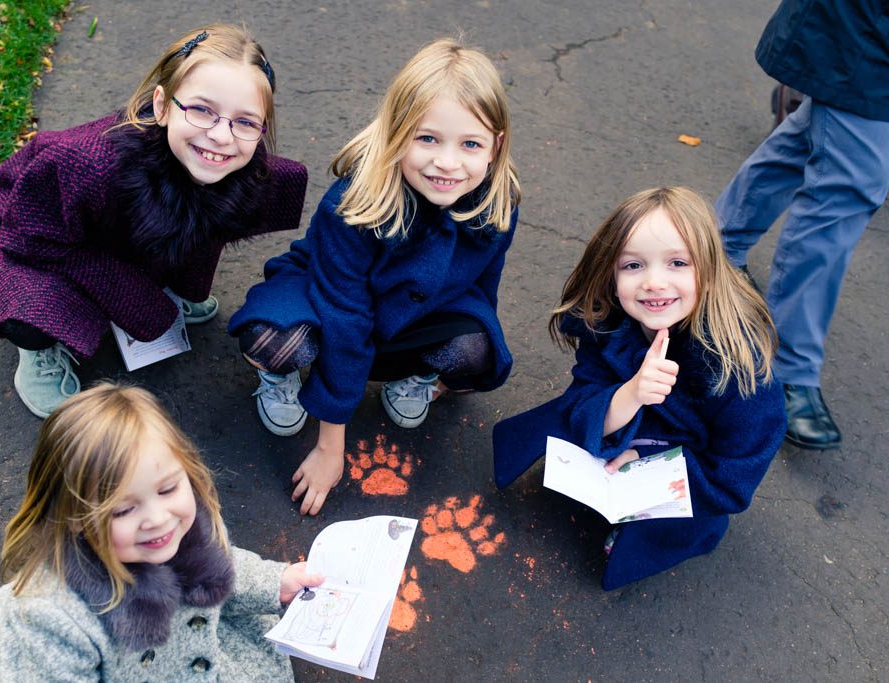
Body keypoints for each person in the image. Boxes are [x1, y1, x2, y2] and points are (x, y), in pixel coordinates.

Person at [228, 38, 520, 515]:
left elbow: (487, 282)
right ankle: (282, 378)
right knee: (272, 338)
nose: (447, 163)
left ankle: (416, 374)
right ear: (396, 133)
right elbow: (345, 318)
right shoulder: (354, 204)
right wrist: (330, 445)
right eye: (427, 138)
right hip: (326, 298)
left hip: (424, 310)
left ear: (496, 146)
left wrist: (472, 356)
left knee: (480, 346)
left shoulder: (498, 200)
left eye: (470, 144)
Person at [0, 24, 307, 418]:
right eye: (202, 110)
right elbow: (29, 240)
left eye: (245, 122)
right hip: (22, 232)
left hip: (96, 232)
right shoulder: (88, 165)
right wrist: (130, 294)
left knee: (207, 212)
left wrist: (179, 287)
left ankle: (158, 285)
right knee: (34, 307)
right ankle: (38, 348)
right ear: (161, 105)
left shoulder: (228, 161)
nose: (222, 136)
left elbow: (215, 226)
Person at [492, 187, 786, 590]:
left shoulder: (740, 363)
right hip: (629, 427)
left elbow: (735, 473)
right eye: (633, 265)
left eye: (678, 263)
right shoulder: (609, 323)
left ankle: (640, 519)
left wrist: (648, 464)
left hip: (692, 473)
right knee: (570, 422)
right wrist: (631, 393)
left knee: (673, 526)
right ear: (610, 275)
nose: (653, 282)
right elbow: (582, 397)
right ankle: (613, 477)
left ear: (710, 270)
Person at [0, 382, 323, 680]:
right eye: (123, 509)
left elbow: (222, 566)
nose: (157, 518)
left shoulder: (180, 530)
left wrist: (275, 582)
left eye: (168, 489)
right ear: (75, 516)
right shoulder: (49, 622)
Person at [714, 0, 889, 449]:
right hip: (865, 27)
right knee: (848, 185)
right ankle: (789, 366)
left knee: (816, 138)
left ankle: (717, 242)